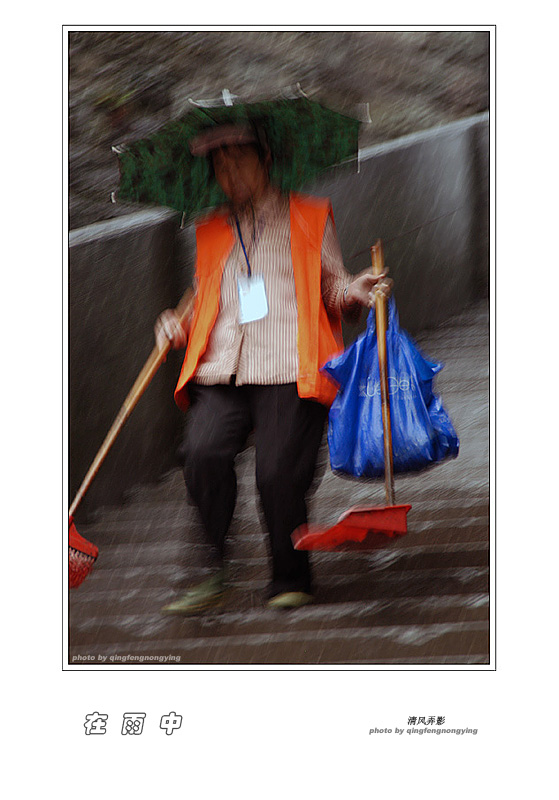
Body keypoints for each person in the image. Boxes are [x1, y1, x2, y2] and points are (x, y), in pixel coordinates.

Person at [156, 122, 392, 614]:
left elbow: (331, 285)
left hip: (288, 362)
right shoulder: (212, 228)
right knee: (201, 452)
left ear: (265, 158)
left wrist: (353, 290)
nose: (229, 173)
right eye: (219, 166)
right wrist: (174, 325)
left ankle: (290, 575)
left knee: (279, 470)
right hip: (222, 367)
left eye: (238, 160)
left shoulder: (307, 215)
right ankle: (212, 569)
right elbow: (204, 302)